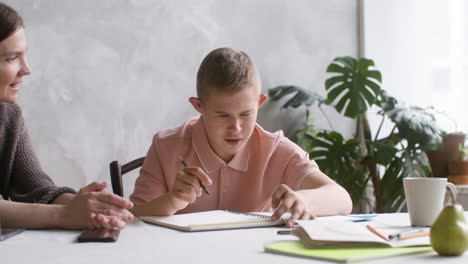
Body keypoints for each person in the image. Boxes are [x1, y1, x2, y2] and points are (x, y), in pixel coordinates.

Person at [130, 47, 352, 225]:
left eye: (246, 114)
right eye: (222, 115)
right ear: (199, 106)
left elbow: (342, 199)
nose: (236, 128)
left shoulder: (276, 149)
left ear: (260, 103)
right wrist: (173, 200)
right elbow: (133, 216)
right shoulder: (166, 146)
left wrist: (305, 200)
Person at [0, 2, 133, 229]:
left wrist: (85, 206)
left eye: (24, 56)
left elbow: (38, 190)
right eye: (12, 58)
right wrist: (63, 216)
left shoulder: (9, 116)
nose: (27, 69)